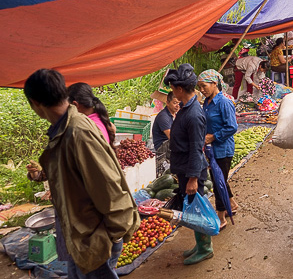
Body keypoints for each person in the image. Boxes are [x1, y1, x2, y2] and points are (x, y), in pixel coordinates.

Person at [24, 69, 139, 277]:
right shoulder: (63, 130)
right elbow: (69, 172)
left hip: (94, 236)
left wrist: (113, 235)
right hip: (80, 233)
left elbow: (108, 185)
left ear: (35, 103)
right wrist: (40, 174)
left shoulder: (78, 131)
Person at [163, 64, 213, 265]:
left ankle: (205, 248)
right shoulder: (187, 108)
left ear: (180, 89)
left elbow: (195, 149)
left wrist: (193, 179)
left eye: (173, 87)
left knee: (197, 210)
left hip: (192, 171)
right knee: (193, 210)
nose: (172, 91)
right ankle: (200, 244)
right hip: (184, 168)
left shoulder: (193, 115)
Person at [197, 69, 239, 228]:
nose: (201, 90)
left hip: (223, 149)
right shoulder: (207, 103)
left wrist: (213, 136)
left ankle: (221, 218)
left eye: (203, 86)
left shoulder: (224, 102)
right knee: (219, 178)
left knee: (218, 182)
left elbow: (232, 127)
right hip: (211, 149)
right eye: (199, 87)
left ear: (215, 84)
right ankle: (232, 205)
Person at [153, 91, 180, 177]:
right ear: (167, 103)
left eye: (179, 103)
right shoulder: (163, 117)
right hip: (162, 149)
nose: (177, 105)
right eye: (175, 103)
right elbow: (172, 137)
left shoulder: (174, 115)